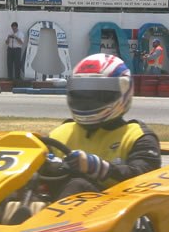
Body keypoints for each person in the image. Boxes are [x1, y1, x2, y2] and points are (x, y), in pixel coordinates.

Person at [48, 53, 162, 199]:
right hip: (52, 204)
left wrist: (99, 168)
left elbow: (144, 178)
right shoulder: (59, 134)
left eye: (98, 93)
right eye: (81, 92)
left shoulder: (138, 137)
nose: (87, 100)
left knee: (77, 184)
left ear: (124, 90)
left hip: (114, 206)